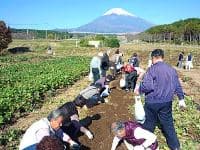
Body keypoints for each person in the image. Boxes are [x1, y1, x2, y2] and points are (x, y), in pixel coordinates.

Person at [134, 49, 186, 150]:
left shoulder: (151, 69)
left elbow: (148, 86)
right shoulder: (171, 69)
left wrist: (139, 89)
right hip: (167, 102)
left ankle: (146, 144)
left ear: (153, 58)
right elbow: (177, 85)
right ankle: (175, 147)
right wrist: (181, 99)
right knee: (168, 124)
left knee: (149, 123)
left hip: (152, 101)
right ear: (162, 57)